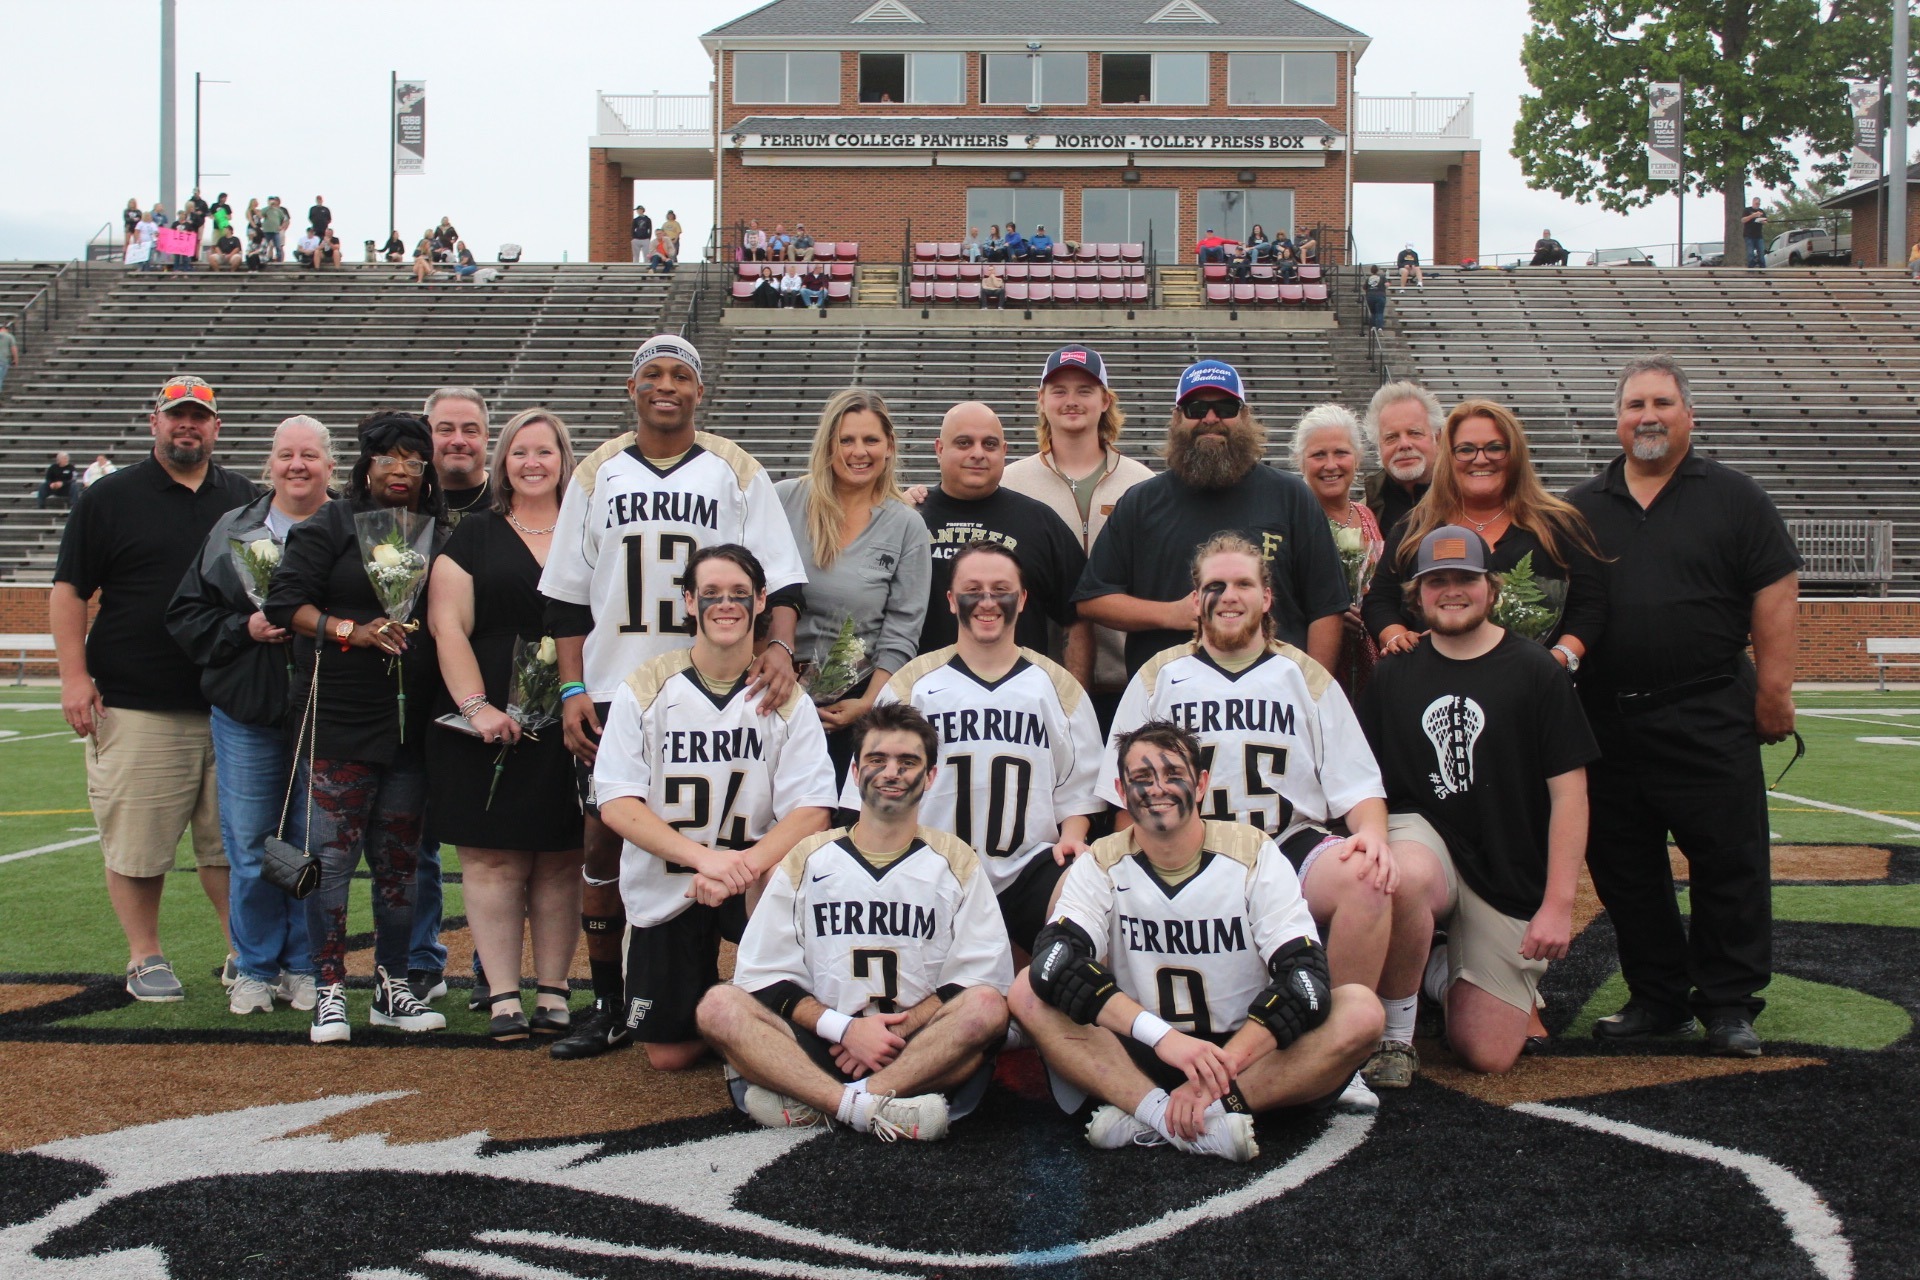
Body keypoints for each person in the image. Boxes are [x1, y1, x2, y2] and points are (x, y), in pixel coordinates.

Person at [538, 334, 808, 1061]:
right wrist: (572, 688)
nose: (666, 386)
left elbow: (779, 581)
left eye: (681, 376)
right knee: (604, 843)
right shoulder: (597, 472)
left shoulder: (734, 469)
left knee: (745, 832)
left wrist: (778, 648)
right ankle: (610, 1004)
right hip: (617, 687)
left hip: (724, 682)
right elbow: (566, 598)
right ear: (632, 389)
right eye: (652, 374)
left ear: (699, 391)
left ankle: (761, 998)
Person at [1102, 535, 1412, 1106]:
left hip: (1286, 844)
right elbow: (1125, 793)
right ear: (1195, 599)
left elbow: (1359, 784)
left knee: (1368, 877)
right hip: (1189, 851)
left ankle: (1329, 1055)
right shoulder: (1158, 676)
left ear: (1267, 596)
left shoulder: (1303, 675)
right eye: (1214, 585)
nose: (1229, 596)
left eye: (1243, 583)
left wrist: (1371, 835)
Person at [1008, 720, 1383, 1160]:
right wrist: (1165, 1039)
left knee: (1360, 1009)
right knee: (1026, 989)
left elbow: (1306, 978)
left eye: (1173, 775)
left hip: (1243, 1053)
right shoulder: (1103, 860)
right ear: (1120, 788)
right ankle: (1165, 1114)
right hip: (1145, 1049)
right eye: (1142, 779)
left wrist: (1220, 1071)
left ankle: (1192, 1111)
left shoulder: (1253, 852)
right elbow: (1055, 962)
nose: (1158, 789)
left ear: (1202, 783)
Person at [1569, 353, 1801, 1057]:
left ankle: (1729, 1004)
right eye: (1635, 404)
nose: (1647, 416)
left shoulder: (1736, 498)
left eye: (1662, 403)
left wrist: (1775, 690)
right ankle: (1658, 998)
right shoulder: (1580, 509)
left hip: (1707, 709)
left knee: (1727, 862)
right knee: (1625, 867)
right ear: (1617, 421)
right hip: (1607, 717)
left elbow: (1776, 592)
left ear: (1688, 416)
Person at [695, 703, 1013, 1141]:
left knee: (987, 1009)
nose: (891, 772)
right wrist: (845, 1029)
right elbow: (764, 976)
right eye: (877, 760)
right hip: (821, 1040)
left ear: (931, 776)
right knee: (718, 1005)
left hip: (916, 1048)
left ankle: (827, 1103)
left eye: (908, 762)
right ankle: (872, 1108)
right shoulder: (808, 856)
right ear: (854, 771)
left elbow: (979, 979)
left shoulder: (955, 860)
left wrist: (890, 1034)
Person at [1358, 525, 1599, 1073]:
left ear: (1491, 588)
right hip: (1427, 847)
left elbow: (1570, 796)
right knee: (1407, 874)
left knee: (1486, 1053)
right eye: (1436, 581)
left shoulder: (1538, 671)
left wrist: (1558, 906)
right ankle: (1397, 1034)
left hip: (1507, 871)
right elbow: (1363, 785)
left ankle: (1439, 965)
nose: (1451, 591)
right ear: (1416, 596)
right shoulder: (1393, 674)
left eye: (1464, 578)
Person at [51, 376, 259, 1001]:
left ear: (216, 427)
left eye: (199, 417)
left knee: (233, 845)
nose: (187, 426)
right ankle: (145, 955)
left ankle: (242, 954)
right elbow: (67, 592)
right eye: (176, 417)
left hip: (233, 701)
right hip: (138, 700)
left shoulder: (246, 499)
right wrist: (73, 677)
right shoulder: (109, 497)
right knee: (138, 843)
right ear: (154, 423)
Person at [595, 545, 838, 1068]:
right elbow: (616, 802)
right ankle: (736, 1019)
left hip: (751, 882)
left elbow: (814, 809)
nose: (725, 606)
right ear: (688, 601)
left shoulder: (786, 698)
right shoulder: (644, 688)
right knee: (669, 1055)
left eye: (738, 595)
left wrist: (742, 866)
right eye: (710, 595)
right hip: (671, 880)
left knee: (783, 875)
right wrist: (707, 860)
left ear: (761, 601)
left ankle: (777, 1007)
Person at [263, 411, 449, 1044]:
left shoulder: (437, 533)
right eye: (389, 458)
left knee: (401, 864)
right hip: (338, 717)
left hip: (409, 721)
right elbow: (285, 604)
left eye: (414, 460)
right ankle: (330, 989)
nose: (401, 470)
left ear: (427, 472)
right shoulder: (331, 524)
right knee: (333, 860)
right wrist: (354, 632)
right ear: (366, 465)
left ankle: (393, 985)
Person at [848, 541, 1102, 954]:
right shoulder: (913, 684)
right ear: (951, 600)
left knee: (1089, 893)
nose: (987, 601)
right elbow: (870, 786)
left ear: (1021, 599)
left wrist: (1072, 836)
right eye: (973, 590)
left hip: (1028, 867)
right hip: (931, 863)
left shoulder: (1055, 686)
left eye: (1000, 588)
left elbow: (1078, 788)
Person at [165, 416, 336, 1016]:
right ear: (269, 464)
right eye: (286, 454)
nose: (297, 465)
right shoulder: (232, 529)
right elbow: (186, 615)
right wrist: (247, 625)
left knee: (309, 845)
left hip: (326, 713)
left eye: (309, 455)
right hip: (248, 713)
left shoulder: (352, 529)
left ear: (329, 466)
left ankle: (305, 965)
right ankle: (256, 967)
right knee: (252, 845)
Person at [426, 408, 584, 1041]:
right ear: (503, 462)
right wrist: (477, 709)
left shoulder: (588, 529)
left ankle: (553, 990)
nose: (532, 463)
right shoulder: (472, 535)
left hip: (573, 715)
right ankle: (499, 994)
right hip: (487, 720)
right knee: (490, 859)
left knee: (561, 858)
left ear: (563, 459)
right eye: (520, 452)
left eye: (545, 451)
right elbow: (447, 626)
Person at [1075, 359, 1350, 677]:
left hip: (1273, 699)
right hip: (1170, 703)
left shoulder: (1291, 497)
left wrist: (1312, 692)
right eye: (1195, 408)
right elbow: (1093, 599)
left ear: (1244, 416)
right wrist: (1172, 614)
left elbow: (1327, 607)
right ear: (1177, 418)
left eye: (1225, 407)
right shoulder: (1141, 502)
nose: (1210, 418)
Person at [1364, 399, 1606, 679]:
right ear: (1448, 455)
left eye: (1495, 448)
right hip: (1436, 684)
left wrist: (1558, 658)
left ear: (1514, 453)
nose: (1480, 459)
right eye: (1466, 449)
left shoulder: (1559, 525)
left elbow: (1590, 605)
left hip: (1533, 688)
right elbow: (1380, 600)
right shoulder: (1414, 528)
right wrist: (1396, 636)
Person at [775, 389, 930, 780]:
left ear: (890, 446)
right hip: (773, 693)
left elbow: (902, 628)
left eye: (870, 440)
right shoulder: (783, 500)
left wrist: (867, 703)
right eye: (846, 440)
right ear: (828, 445)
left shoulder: (907, 525)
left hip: (854, 705)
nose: (859, 451)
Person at [1003, 345, 1154, 730]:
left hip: (1131, 682)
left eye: (1085, 390)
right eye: (1059, 390)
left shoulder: (1144, 484)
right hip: (1037, 680)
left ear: (1105, 400)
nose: (1071, 401)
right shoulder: (1010, 482)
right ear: (1041, 399)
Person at [917, 402, 1089, 676]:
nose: (977, 453)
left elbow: (1078, 617)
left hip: (1019, 703)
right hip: (920, 701)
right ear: (939, 448)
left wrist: (1074, 700)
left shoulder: (1039, 521)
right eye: (963, 443)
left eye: (989, 444)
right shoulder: (909, 518)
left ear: (1004, 451)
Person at [1292, 404, 1382, 697]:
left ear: (1357, 458)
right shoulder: (1294, 520)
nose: (1331, 465)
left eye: (1341, 453)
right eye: (1319, 455)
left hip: (1369, 657)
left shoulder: (1367, 514)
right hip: (1316, 661)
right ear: (1301, 462)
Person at [1361, 380, 1441, 535]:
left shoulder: (1465, 500)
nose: (1404, 444)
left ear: (1438, 438)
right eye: (1391, 437)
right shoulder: (1365, 514)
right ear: (1378, 445)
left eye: (1414, 433)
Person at [426, 386, 492, 524]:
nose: (458, 441)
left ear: (486, 438)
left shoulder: (512, 500)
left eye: (470, 431)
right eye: (445, 430)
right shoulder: (409, 499)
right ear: (426, 435)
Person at [1742, 199, 1768, 268]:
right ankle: (1751, 268)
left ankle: (1762, 268)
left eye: (1759, 204)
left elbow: (1765, 221)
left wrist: (1761, 220)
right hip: (1749, 235)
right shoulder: (1747, 210)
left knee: (1761, 253)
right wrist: (1752, 216)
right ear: (1753, 202)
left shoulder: (1761, 211)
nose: (1757, 205)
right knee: (1750, 253)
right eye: (1756, 203)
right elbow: (1743, 220)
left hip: (1759, 236)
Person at [261, 197, 289, 262]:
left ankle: (279, 260)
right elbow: (261, 214)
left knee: (279, 246)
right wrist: (269, 206)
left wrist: (282, 227)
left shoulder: (280, 210)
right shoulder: (266, 209)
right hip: (267, 230)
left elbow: (285, 219)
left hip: (277, 231)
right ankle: (266, 259)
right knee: (266, 245)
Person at [1363, 265, 1386, 330]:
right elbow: (1387, 284)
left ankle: (1373, 326)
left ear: (1371, 271)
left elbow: (1364, 288)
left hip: (1370, 296)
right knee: (1380, 312)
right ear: (1377, 270)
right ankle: (1379, 327)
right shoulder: (1382, 277)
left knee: (1373, 312)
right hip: (1380, 295)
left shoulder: (1368, 278)